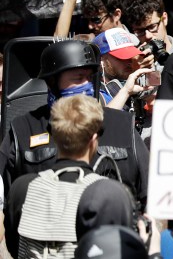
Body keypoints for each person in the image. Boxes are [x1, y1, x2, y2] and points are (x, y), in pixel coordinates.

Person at [0, 39, 149, 207]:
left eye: (90, 77)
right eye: (79, 78)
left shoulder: (122, 125)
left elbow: (148, 193)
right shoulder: (23, 129)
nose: (87, 85)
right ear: (52, 82)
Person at [4, 95, 134, 258]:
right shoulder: (110, 193)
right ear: (94, 139)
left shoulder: (21, 188)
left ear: (54, 135)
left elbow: (13, 244)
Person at [122, 0, 173, 64]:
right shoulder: (132, 63)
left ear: (164, 19)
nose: (148, 36)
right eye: (140, 31)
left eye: (152, 27)